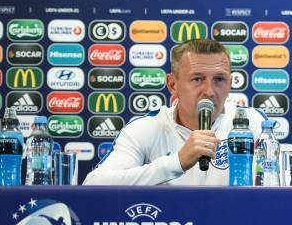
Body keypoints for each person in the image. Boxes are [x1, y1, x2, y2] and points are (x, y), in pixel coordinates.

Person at [84, 39, 266, 185]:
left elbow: (274, 186)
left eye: (219, 79)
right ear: (173, 85)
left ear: (230, 84)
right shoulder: (147, 128)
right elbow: (94, 184)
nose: (209, 91)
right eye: (197, 79)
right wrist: (176, 163)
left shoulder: (252, 123)